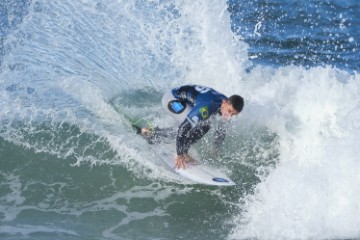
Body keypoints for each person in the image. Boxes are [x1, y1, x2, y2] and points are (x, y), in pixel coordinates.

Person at [139, 85, 244, 169]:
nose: (229, 116)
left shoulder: (224, 107)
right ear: (224, 102)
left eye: (233, 114)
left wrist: (215, 149)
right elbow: (183, 128)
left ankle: (182, 148)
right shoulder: (208, 106)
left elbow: (221, 130)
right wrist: (179, 154)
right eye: (229, 111)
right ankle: (151, 133)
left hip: (186, 101)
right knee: (193, 125)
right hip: (172, 99)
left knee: (206, 123)